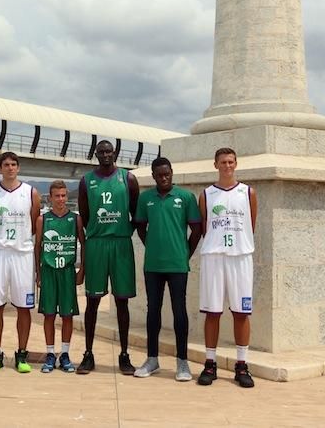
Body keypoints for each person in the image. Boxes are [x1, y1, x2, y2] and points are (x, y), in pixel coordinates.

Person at [133, 157, 202, 381]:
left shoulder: (185, 197)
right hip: (153, 265)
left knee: (179, 312)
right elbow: (141, 227)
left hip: (177, 266)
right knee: (153, 311)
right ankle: (152, 359)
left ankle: (182, 363)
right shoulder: (145, 199)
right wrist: (153, 246)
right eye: (160, 175)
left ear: (172, 173)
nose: (164, 178)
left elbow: (196, 230)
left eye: (167, 174)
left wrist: (184, 254)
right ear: (153, 176)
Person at [76, 140, 139, 375]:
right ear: (95, 154)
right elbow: (85, 214)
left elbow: (135, 211)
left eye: (108, 151)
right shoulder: (86, 181)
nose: (105, 155)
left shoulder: (128, 179)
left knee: (122, 301)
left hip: (121, 243)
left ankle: (124, 355)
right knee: (92, 301)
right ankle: (88, 354)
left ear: (115, 153)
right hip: (97, 245)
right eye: (101, 152)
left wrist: (125, 232)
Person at [197, 148, 257, 388]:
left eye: (231, 162)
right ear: (215, 165)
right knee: (212, 312)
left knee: (241, 313)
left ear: (236, 164)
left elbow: (251, 226)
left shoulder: (248, 192)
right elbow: (204, 226)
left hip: (240, 257)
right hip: (214, 256)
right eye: (223, 162)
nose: (227, 166)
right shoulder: (206, 194)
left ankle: (241, 365)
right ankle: (210, 363)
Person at [0, 152, 41, 373]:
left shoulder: (31, 192)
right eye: (6, 164)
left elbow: (34, 224)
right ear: (0, 168)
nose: (10, 168)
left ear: (18, 167)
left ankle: (22, 353)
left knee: (23, 307)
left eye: (13, 164)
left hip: (22, 254)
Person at [35, 180, 85, 373]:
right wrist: (38, 274)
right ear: (51, 197)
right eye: (57, 196)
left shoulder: (76, 219)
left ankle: (64, 354)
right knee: (49, 314)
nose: (61, 199)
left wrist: (82, 270)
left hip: (67, 271)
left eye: (64, 195)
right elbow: (37, 247)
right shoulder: (43, 220)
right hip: (48, 271)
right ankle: (50, 353)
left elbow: (83, 243)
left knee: (67, 315)